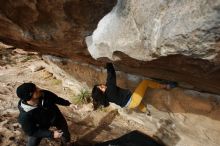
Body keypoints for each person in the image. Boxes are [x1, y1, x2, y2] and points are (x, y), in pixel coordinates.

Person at [92, 63, 177, 115]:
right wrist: (109, 63)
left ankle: (146, 111)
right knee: (145, 82)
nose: (102, 85)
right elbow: (111, 76)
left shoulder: (107, 95)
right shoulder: (110, 90)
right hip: (132, 101)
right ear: (102, 93)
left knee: (138, 102)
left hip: (128, 105)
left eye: (100, 85)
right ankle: (166, 86)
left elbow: (108, 80)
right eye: (101, 88)